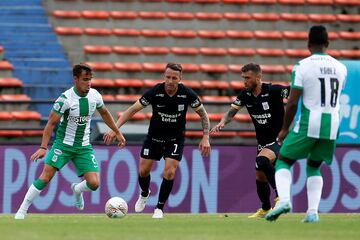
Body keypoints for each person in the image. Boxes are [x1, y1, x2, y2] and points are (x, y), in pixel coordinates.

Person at [14, 63, 126, 219]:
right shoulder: (65, 99)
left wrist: (117, 132)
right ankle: (22, 210)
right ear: (75, 79)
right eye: (85, 79)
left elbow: (105, 114)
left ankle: (77, 190)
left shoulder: (95, 96)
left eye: (90, 79)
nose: (88, 83)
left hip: (83, 147)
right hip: (63, 145)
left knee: (94, 184)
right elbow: (50, 124)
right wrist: (43, 147)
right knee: (45, 177)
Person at [104, 63, 211, 218]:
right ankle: (145, 193)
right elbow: (132, 110)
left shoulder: (187, 94)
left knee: (169, 172)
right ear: (164, 76)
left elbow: (203, 114)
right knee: (143, 170)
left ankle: (159, 208)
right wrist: (115, 129)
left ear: (180, 79)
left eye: (174, 78)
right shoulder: (156, 92)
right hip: (154, 137)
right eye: (168, 77)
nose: (170, 81)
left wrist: (206, 136)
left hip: (175, 139)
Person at [265, 25, 347, 223]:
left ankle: (284, 200)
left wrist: (284, 129)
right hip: (333, 124)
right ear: (327, 44)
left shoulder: (302, 66)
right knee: (314, 165)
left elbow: (292, 101)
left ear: (308, 44)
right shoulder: (341, 68)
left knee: (283, 160)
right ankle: (312, 213)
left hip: (310, 122)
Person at [211, 63, 290, 218]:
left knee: (261, 161)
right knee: (259, 176)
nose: (244, 81)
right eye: (243, 78)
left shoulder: (274, 90)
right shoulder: (245, 95)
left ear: (258, 78)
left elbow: (295, 93)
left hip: (278, 139)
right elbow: (231, 112)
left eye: (247, 78)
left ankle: (281, 198)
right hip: (262, 142)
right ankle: (266, 209)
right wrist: (223, 122)